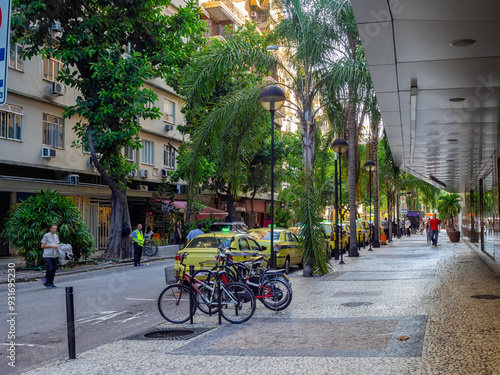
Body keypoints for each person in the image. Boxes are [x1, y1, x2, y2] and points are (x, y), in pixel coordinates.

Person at [41, 224, 60, 288]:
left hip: (54, 254)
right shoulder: (46, 235)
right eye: (53, 228)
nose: (54, 230)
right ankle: (45, 280)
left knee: (54, 269)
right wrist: (51, 246)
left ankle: (51, 283)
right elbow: (42, 245)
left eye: (55, 228)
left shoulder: (56, 236)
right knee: (50, 268)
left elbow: (57, 244)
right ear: (50, 229)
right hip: (47, 255)